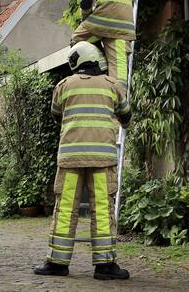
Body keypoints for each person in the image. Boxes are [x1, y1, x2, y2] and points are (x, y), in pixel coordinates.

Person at [33, 41, 131, 281]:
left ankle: (57, 262)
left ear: (75, 63)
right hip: (101, 159)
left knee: (65, 209)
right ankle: (105, 265)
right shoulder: (113, 86)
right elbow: (126, 115)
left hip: (70, 159)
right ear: (96, 59)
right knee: (102, 210)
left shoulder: (63, 86)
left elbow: (57, 114)